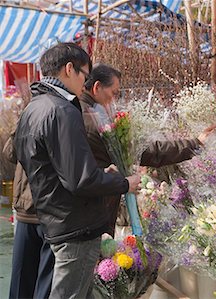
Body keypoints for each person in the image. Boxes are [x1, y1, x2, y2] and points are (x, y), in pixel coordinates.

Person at [13, 43, 141, 299]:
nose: (84, 83)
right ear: (69, 69)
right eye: (84, 73)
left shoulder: (33, 108)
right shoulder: (62, 110)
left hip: (52, 217)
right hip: (74, 224)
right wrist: (124, 183)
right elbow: (81, 179)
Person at [80, 63, 216, 235]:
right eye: (114, 93)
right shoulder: (93, 120)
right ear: (97, 87)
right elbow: (146, 151)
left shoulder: (83, 112)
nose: (115, 101)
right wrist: (195, 143)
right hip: (94, 209)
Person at [4, 130, 54, 299]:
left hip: (29, 209)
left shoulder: (30, 115)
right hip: (47, 209)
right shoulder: (59, 112)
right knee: (43, 282)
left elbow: (10, 153)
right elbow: (10, 152)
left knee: (22, 281)